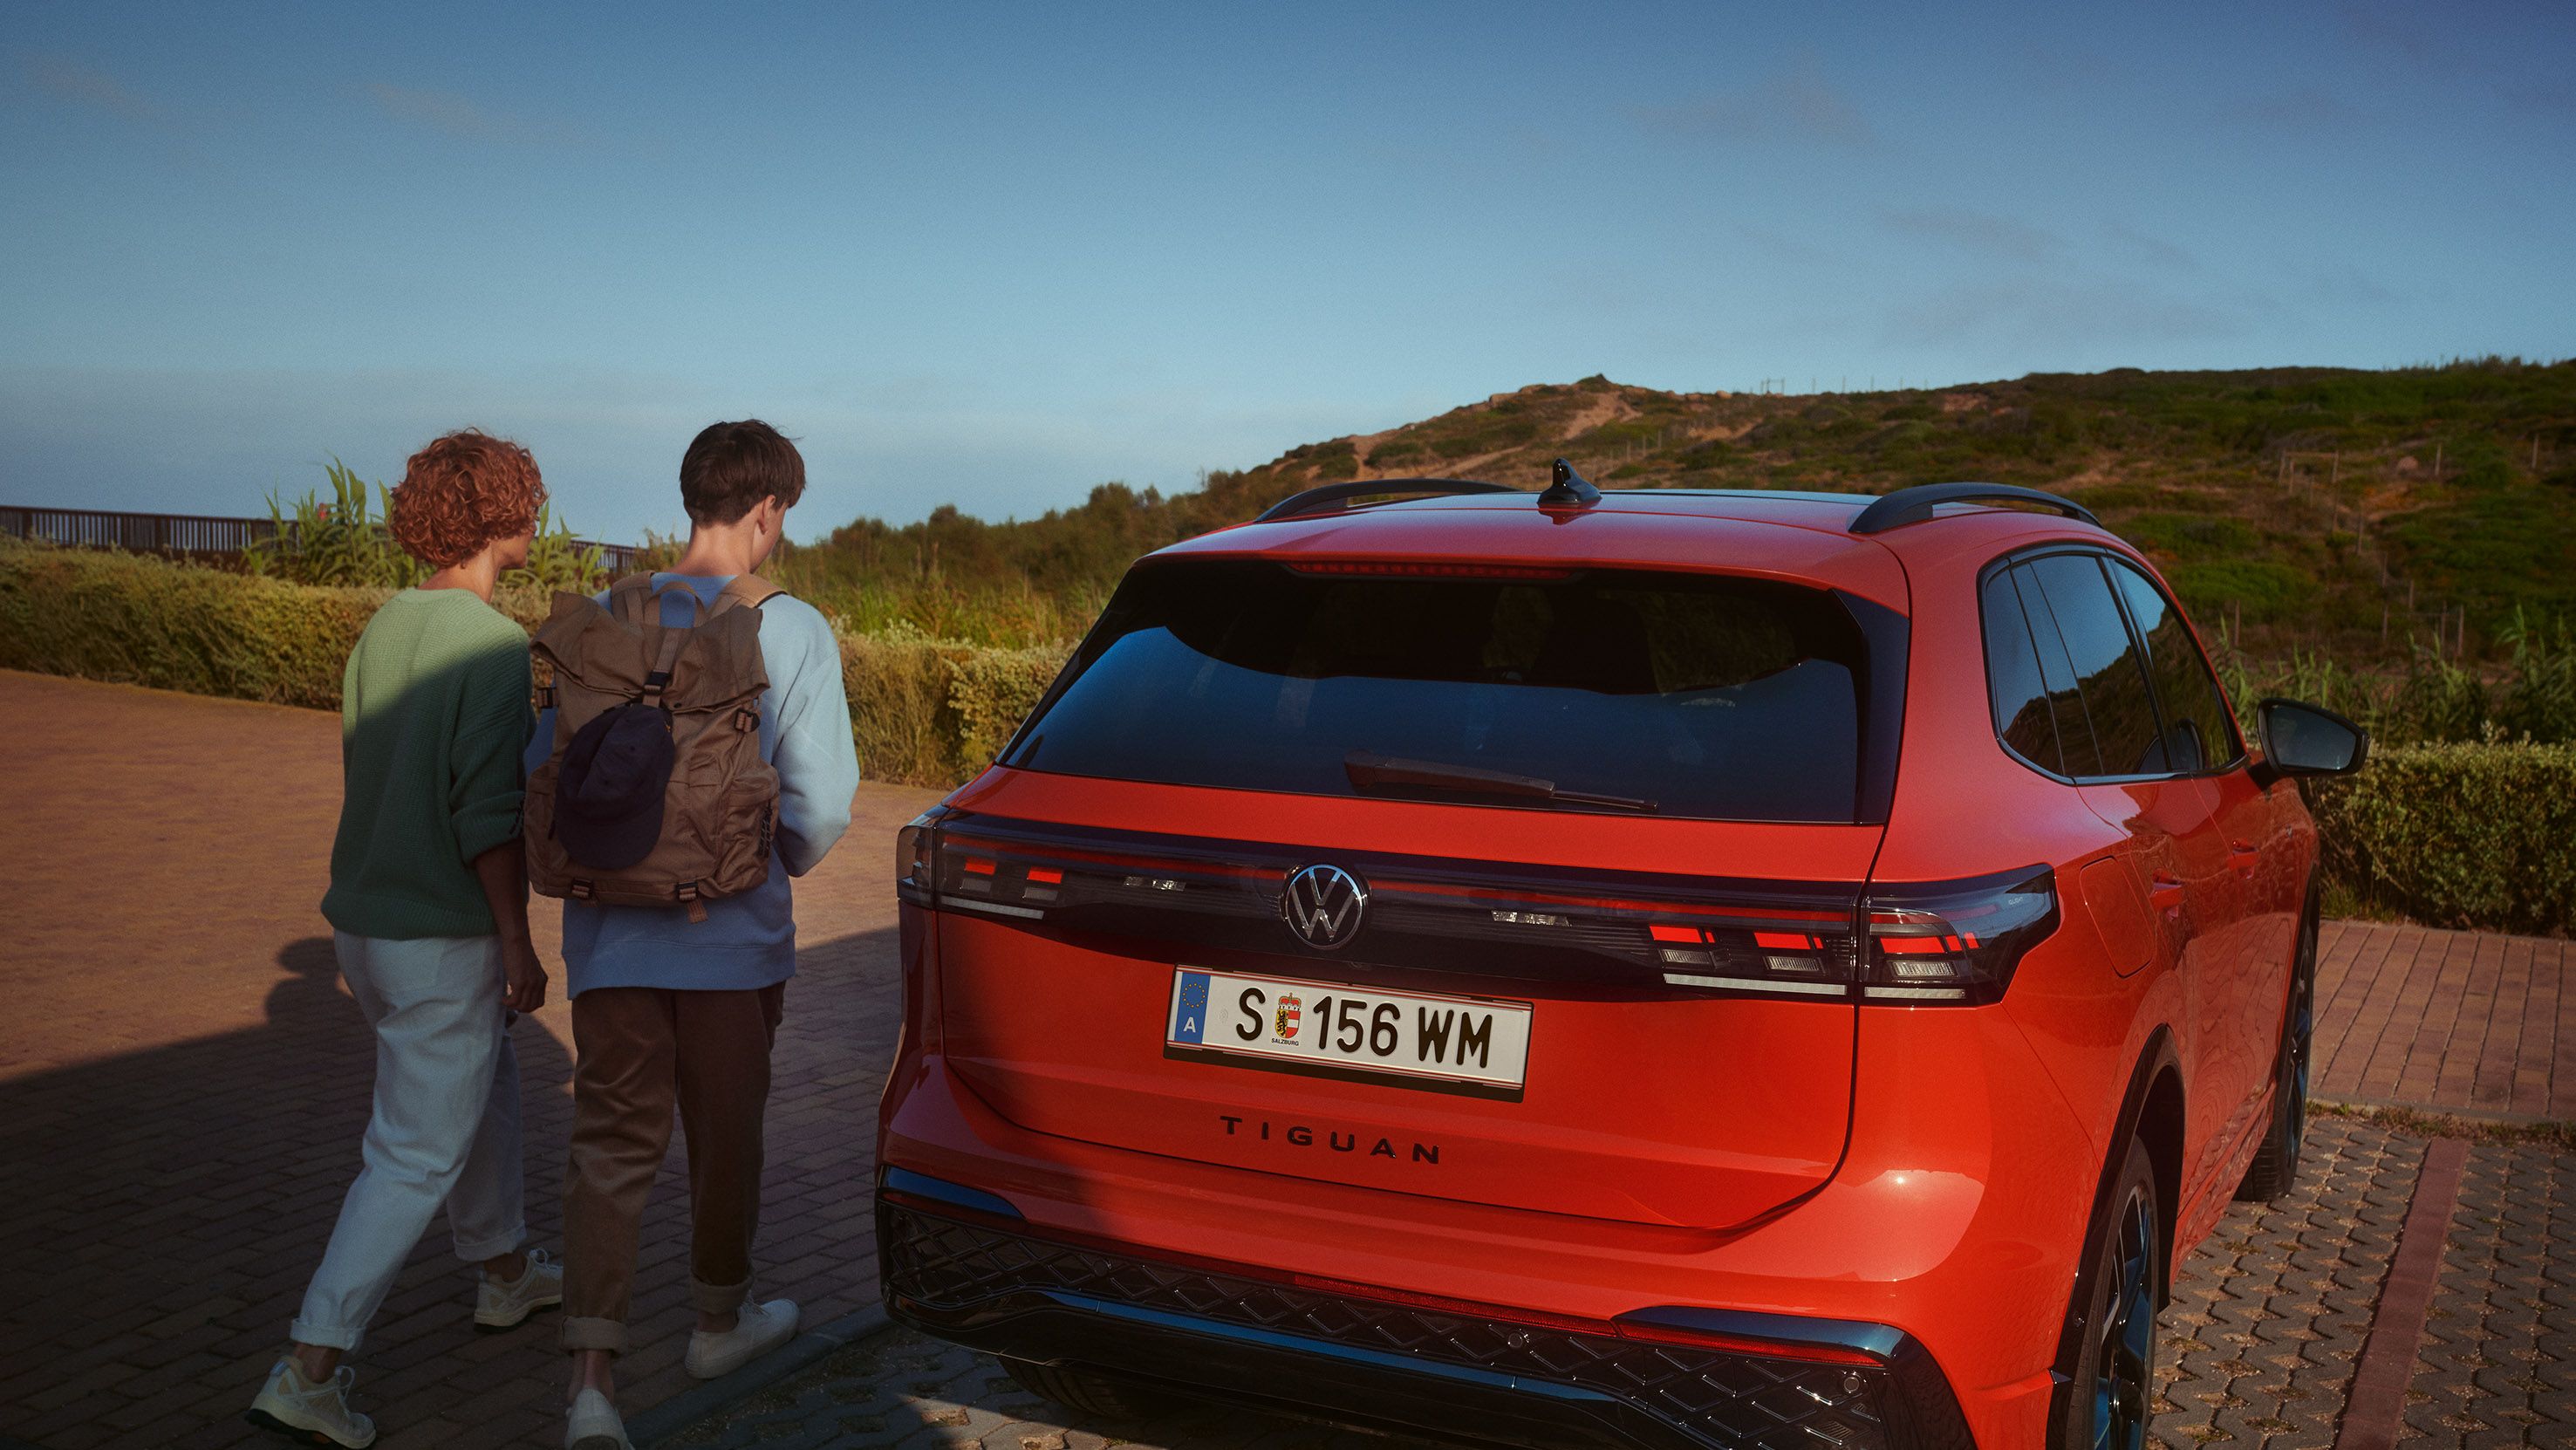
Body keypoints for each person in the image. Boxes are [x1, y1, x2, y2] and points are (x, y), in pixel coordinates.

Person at [541, 420, 858, 1450]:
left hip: (608, 941)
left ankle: (592, 1383)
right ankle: (717, 1327)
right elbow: (822, 805)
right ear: (767, 513)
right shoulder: (792, 628)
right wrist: (765, 868)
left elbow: (541, 777)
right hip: (731, 946)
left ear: (692, 500)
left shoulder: (598, 617)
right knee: (726, 1142)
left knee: (609, 1146)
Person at [248, 430, 562, 1449]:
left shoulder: (385, 626)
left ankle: (505, 1270)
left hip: (366, 929)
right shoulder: (492, 643)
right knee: (412, 1153)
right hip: (443, 932)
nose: (537, 516)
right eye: (528, 500)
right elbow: (485, 815)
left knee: (488, 1087)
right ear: (502, 515)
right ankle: (310, 1365)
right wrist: (515, 939)